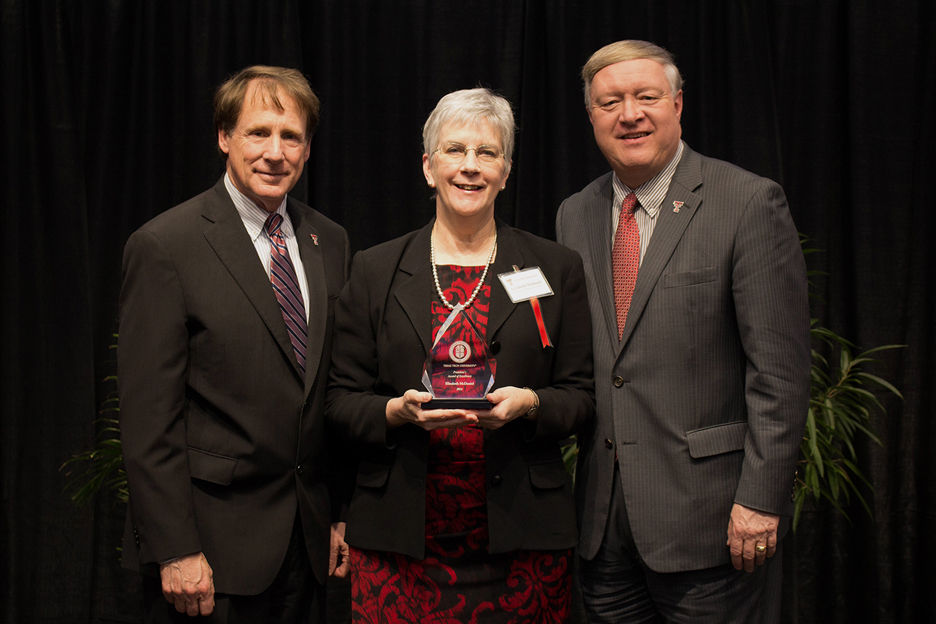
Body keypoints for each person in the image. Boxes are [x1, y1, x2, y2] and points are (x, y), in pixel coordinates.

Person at [556, 40, 811, 622]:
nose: (629, 114)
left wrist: (760, 499)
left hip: (715, 524)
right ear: (591, 116)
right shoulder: (574, 214)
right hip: (601, 524)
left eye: (646, 97)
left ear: (677, 104)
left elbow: (780, 371)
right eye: (610, 102)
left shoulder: (746, 202)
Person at [326, 87, 594, 623]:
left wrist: (531, 404)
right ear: (429, 167)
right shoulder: (375, 269)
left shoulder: (554, 267)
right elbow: (337, 400)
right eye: (454, 151)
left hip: (523, 536)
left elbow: (582, 397)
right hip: (400, 541)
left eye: (487, 153)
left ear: (506, 169)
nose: (470, 167)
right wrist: (394, 412)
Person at [119, 65, 351, 623]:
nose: (275, 152)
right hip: (209, 559)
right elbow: (149, 420)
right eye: (258, 133)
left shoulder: (331, 241)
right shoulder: (165, 246)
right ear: (224, 137)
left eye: (290, 136)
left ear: (308, 148)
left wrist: (338, 515)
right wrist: (175, 549)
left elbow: (330, 391)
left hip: (307, 549)